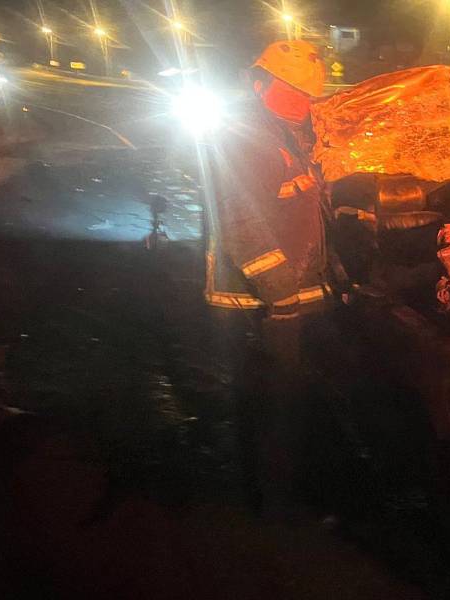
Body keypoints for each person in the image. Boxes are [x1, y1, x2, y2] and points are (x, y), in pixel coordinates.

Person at [201, 39, 334, 518]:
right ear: (260, 85)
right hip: (259, 299)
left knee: (294, 397)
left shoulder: (289, 133)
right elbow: (242, 223)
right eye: (292, 91)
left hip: (296, 292)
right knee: (274, 402)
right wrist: (281, 296)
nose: (304, 102)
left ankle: (289, 485)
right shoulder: (244, 136)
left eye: (308, 94)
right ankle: (274, 504)